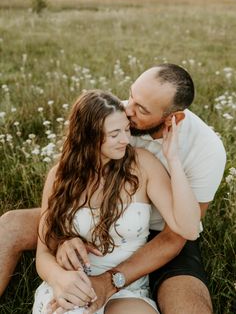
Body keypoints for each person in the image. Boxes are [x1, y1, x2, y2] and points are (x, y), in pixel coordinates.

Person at [0, 64, 226, 314]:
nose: (128, 110)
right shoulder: (114, 116)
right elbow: (49, 239)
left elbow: (183, 232)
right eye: (131, 96)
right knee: (10, 225)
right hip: (89, 226)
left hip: (163, 234)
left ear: (171, 119)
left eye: (140, 110)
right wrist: (62, 242)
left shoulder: (204, 151)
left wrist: (111, 281)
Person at [32, 89, 200, 314]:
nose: (125, 139)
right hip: (73, 284)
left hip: (128, 288)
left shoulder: (143, 164)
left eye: (126, 129)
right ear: (88, 136)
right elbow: (43, 254)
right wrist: (60, 278)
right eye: (114, 134)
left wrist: (174, 159)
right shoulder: (59, 176)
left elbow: (188, 228)